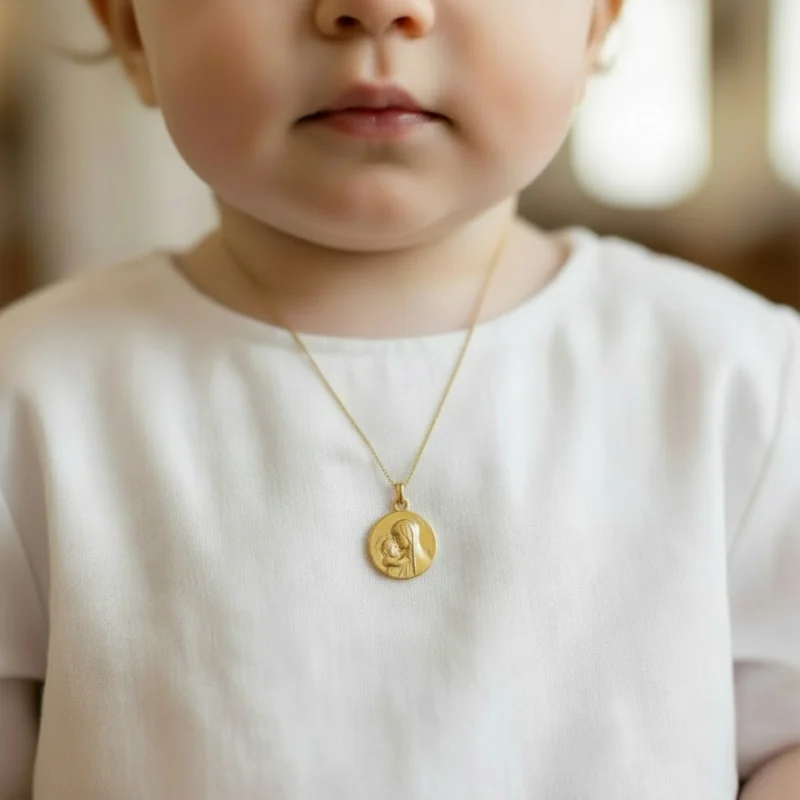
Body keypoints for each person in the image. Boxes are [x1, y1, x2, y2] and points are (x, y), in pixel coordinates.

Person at [0, 0, 798, 797]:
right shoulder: (32, 399)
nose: (379, 8)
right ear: (131, 28)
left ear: (596, 22)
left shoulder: (744, 388)